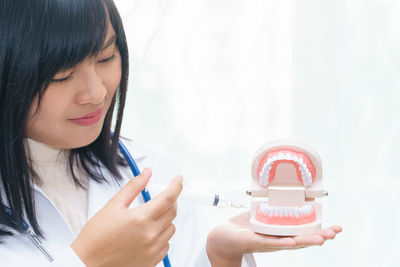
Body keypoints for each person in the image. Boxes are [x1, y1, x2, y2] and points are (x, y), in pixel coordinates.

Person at [0, 0, 342, 266]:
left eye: (105, 58)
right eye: (61, 75)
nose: (96, 93)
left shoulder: (150, 172)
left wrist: (220, 257)